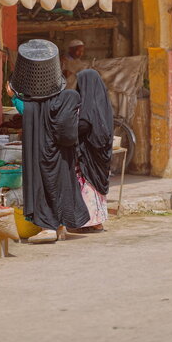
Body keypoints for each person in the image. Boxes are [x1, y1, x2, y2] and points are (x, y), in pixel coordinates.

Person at [6, 41, 90, 244]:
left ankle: (48, 227)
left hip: (41, 154)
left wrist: (12, 96)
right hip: (62, 155)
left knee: (44, 186)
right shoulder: (65, 99)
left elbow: (23, 109)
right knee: (60, 185)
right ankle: (61, 226)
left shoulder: (32, 108)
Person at [75, 69, 114, 232]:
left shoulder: (87, 105)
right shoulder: (103, 102)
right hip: (100, 153)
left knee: (88, 184)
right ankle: (97, 221)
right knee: (95, 185)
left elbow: (83, 125)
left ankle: (90, 220)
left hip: (89, 153)